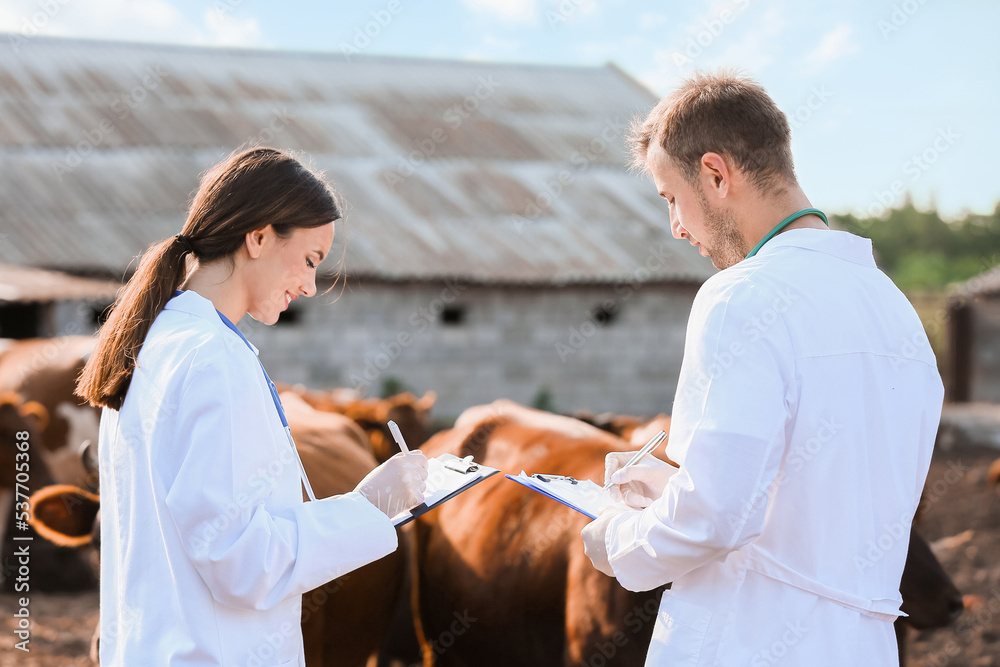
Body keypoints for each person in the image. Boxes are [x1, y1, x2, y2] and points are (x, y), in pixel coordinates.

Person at [580, 70, 944, 665]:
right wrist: (674, 490)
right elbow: (817, 492)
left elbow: (715, 519)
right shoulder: (893, 308)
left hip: (748, 640)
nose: (676, 227)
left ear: (716, 174)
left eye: (672, 198)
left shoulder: (739, 298)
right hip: (863, 646)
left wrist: (618, 537)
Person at [75, 147, 428, 666]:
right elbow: (240, 562)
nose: (310, 286)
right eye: (310, 260)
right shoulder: (212, 357)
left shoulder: (153, 341)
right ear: (259, 237)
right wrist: (368, 512)